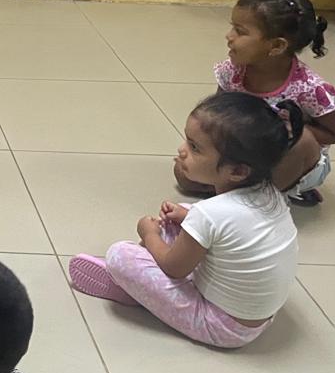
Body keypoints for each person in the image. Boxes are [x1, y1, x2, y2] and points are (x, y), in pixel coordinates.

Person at [71, 92, 300, 348]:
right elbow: (231, 229)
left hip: (221, 326)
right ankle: (143, 285)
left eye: (194, 148)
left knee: (120, 255)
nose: (182, 151)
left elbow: (173, 268)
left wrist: (149, 234)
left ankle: (133, 289)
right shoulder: (271, 195)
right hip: (257, 318)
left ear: (237, 171)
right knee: (182, 215)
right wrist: (186, 218)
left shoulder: (211, 214)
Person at [181, 0, 335, 207]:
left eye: (240, 31)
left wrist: (286, 130)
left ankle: (273, 194)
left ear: (277, 46)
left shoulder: (309, 88)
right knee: (184, 174)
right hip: (247, 151)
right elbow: (219, 117)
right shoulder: (232, 72)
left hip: (289, 156)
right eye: (232, 27)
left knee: (304, 139)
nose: (229, 37)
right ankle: (241, 193)